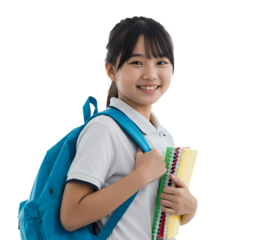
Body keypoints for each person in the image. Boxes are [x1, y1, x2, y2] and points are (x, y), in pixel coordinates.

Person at [61, 14, 195, 240]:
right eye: (136, 62)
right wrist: (139, 176)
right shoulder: (104, 129)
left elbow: (145, 217)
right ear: (111, 71)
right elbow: (71, 216)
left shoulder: (164, 134)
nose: (151, 74)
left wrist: (189, 209)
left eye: (161, 62)